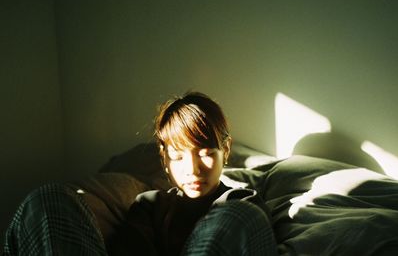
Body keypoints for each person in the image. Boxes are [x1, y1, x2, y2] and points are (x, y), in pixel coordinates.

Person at [3, 92, 277, 256]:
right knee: (49, 199)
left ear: (225, 151)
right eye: (179, 156)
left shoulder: (243, 203)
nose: (193, 169)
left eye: (205, 153)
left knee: (238, 216)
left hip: (236, 219)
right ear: (164, 158)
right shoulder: (150, 205)